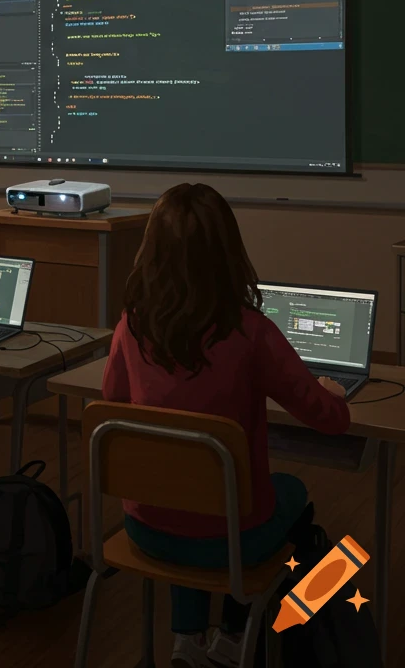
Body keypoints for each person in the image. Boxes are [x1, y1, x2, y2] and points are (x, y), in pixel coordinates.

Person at [103, 183, 350, 668]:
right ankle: (237, 635)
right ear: (228, 252)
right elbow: (330, 421)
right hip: (234, 541)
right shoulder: (250, 331)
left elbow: (113, 408)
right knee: (292, 493)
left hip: (145, 527)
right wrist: (335, 395)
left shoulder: (131, 325)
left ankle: (186, 640)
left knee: (185, 492)